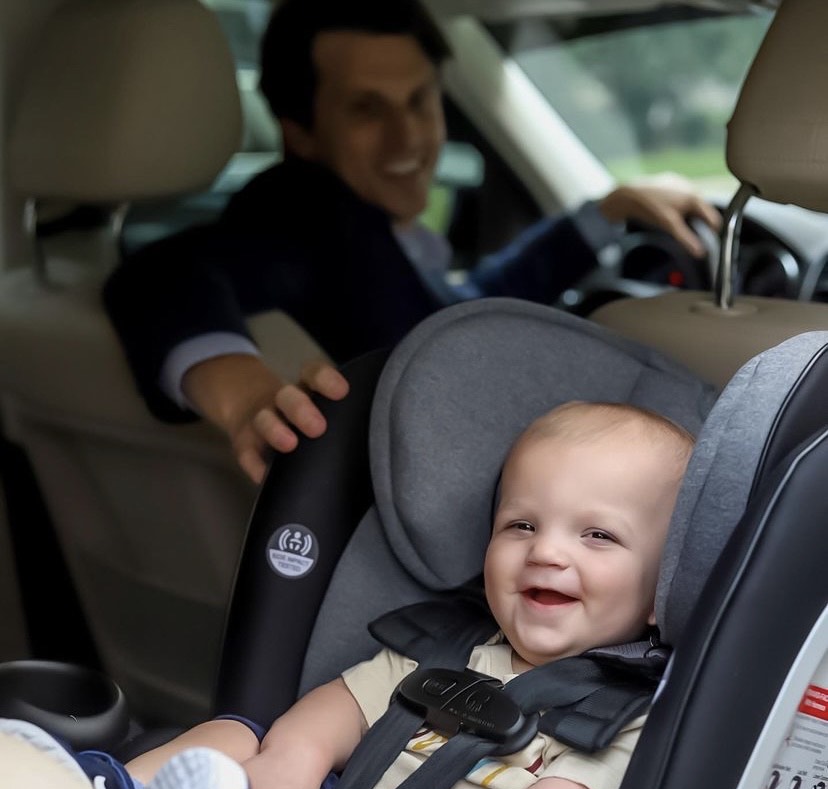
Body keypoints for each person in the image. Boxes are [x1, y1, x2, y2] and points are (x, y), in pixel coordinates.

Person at [2, 400, 694, 789]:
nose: (548, 550)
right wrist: (292, 762)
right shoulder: (452, 646)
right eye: (521, 524)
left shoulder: (633, 714)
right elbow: (341, 703)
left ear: (664, 589)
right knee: (246, 730)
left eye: (598, 534)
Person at [103, 0, 720, 484]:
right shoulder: (304, 212)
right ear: (301, 133)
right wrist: (243, 397)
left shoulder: (364, 228)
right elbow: (162, 272)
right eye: (367, 110)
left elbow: (456, 313)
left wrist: (603, 214)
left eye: (420, 101)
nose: (409, 140)